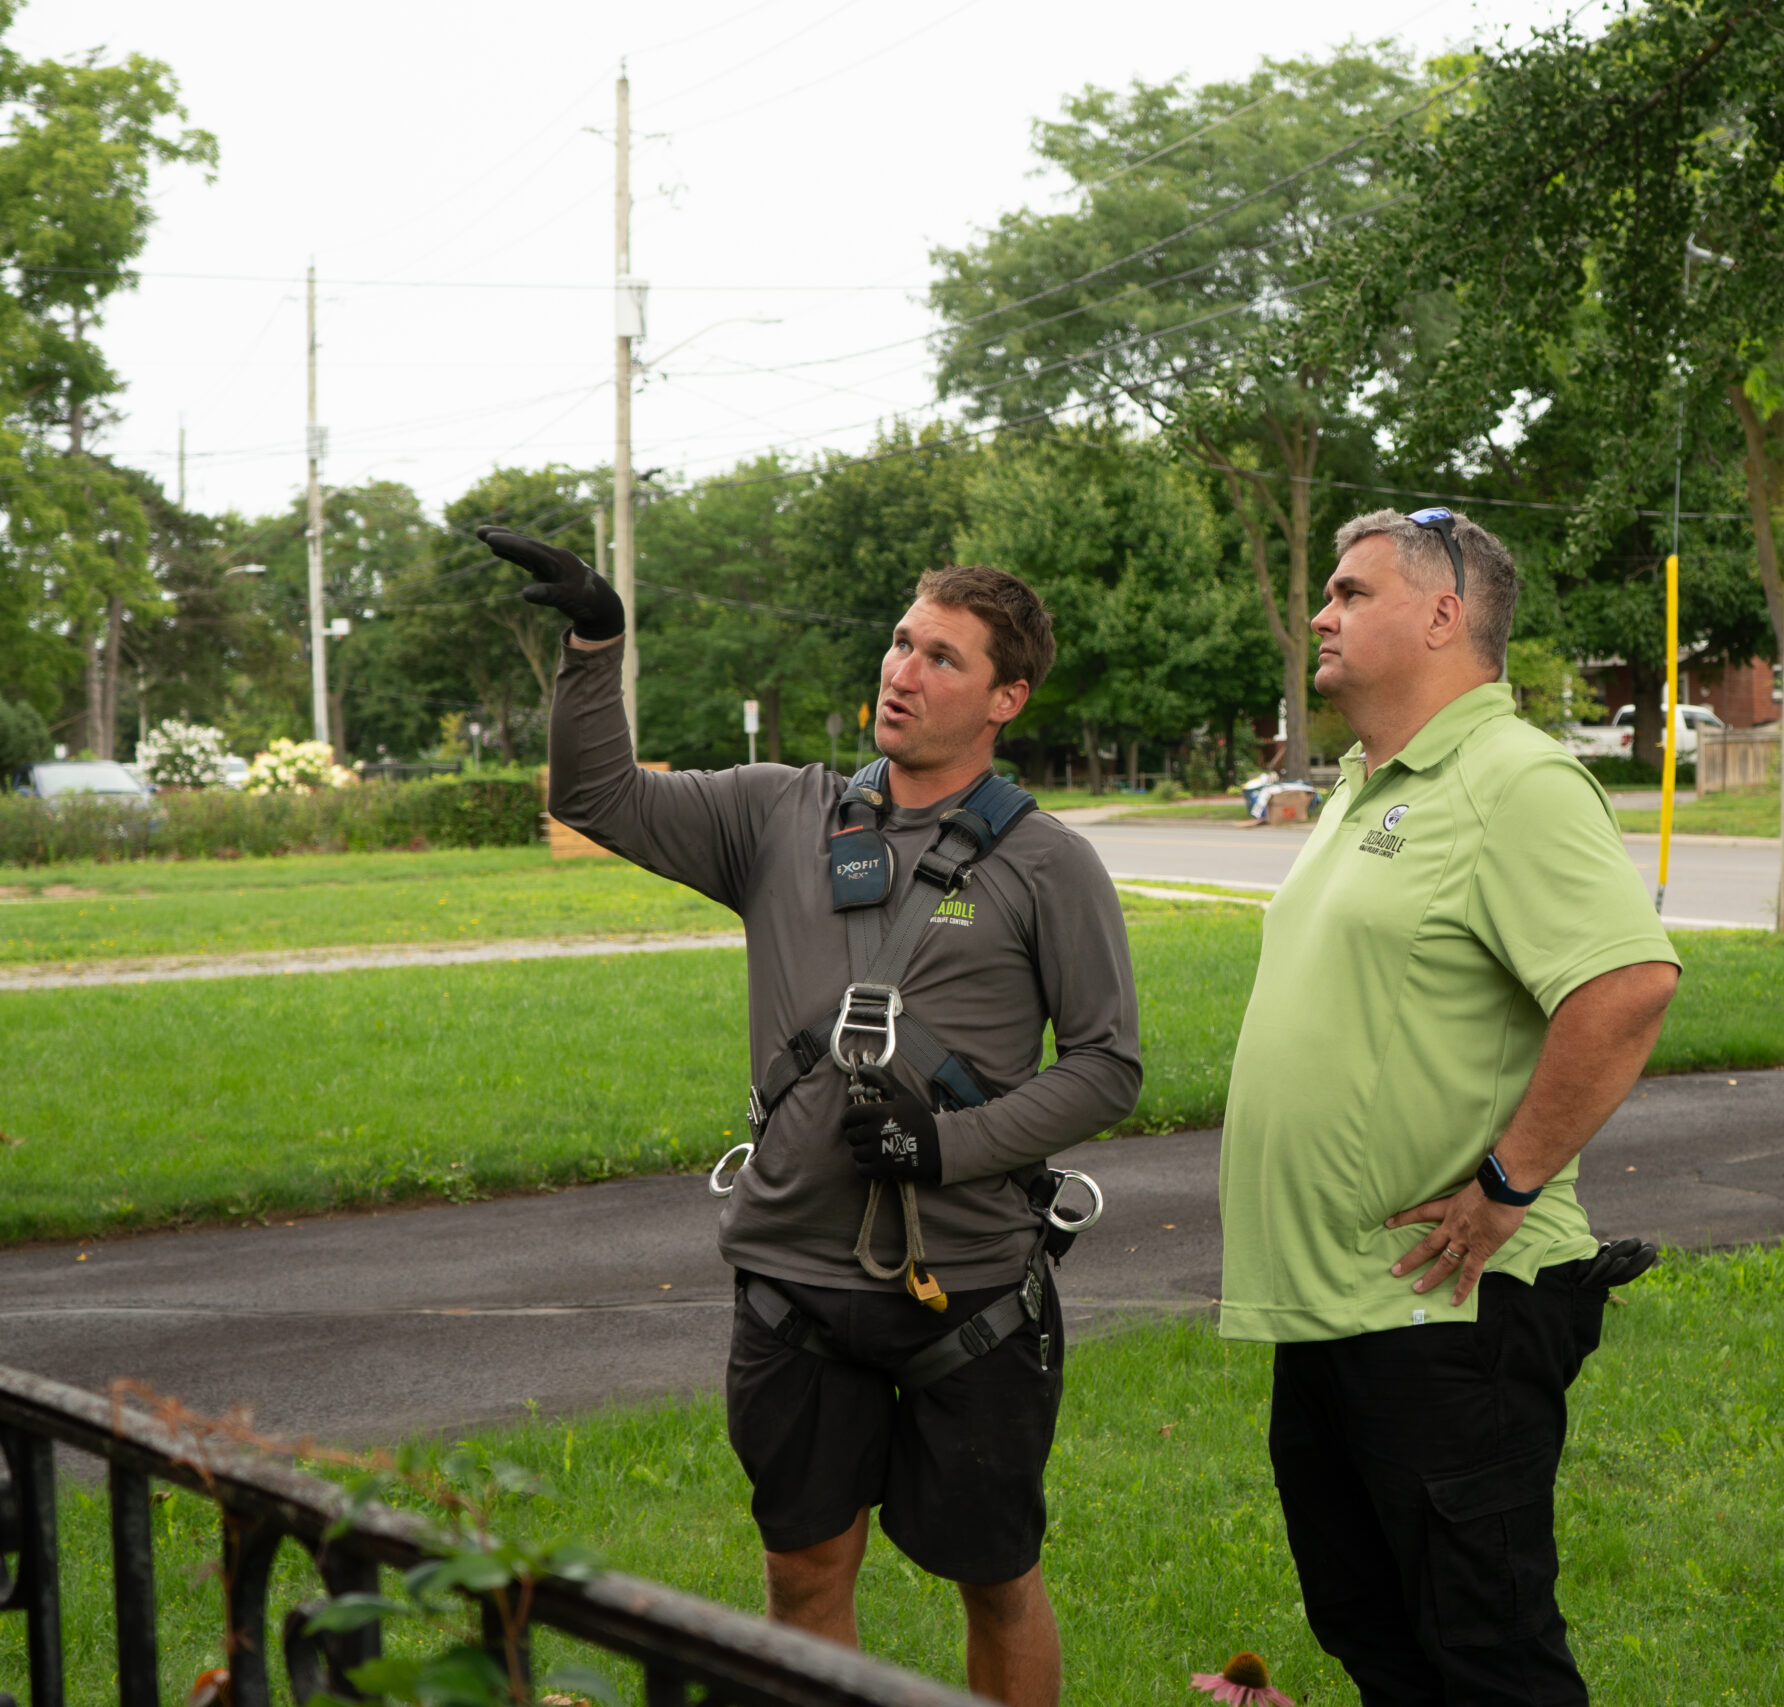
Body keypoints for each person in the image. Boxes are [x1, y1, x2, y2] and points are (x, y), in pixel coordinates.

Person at [486, 527, 1139, 1707]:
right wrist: (596, 640)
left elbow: (1106, 1068)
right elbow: (596, 796)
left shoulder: (1050, 865)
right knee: (802, 1577)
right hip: (794, 1278)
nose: (902, 670)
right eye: (899, 642)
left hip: (976, 1288)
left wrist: (947, 1145)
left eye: (941, 657)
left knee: (995, 1579)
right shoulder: (774, 815)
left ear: (1006, 696)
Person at [1218, 507, 1682, 1705]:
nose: (1320, 613)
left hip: (1446, 1315)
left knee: (1488, 1658)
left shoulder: (1512, 778)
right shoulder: (1366, 786)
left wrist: (1507, 1183)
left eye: (1350, 591)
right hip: (1335, 1307)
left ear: (1442, 613)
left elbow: (1626, 985)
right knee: (1380, 1644)